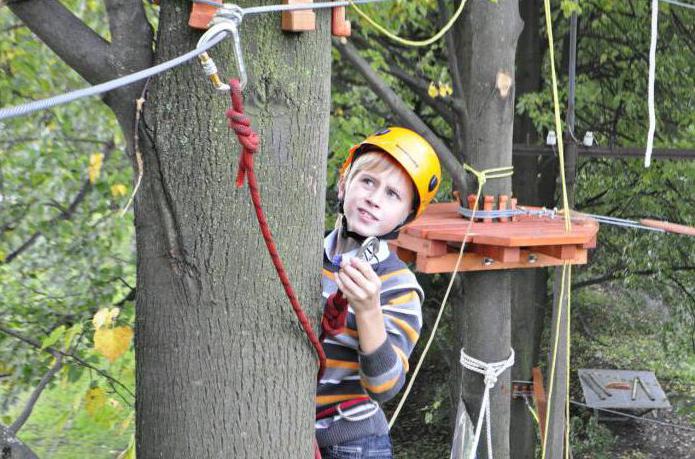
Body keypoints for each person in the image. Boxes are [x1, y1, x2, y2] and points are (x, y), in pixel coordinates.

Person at [316, 127, 441, 458]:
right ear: (344, 185)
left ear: (405, 218)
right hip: (290, 432)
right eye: (368, 182)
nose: (374, 197)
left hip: (354, 442)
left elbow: (385, 385)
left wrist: (369, 310)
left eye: (392, 195)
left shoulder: (398, 287)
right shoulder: (307, 252)